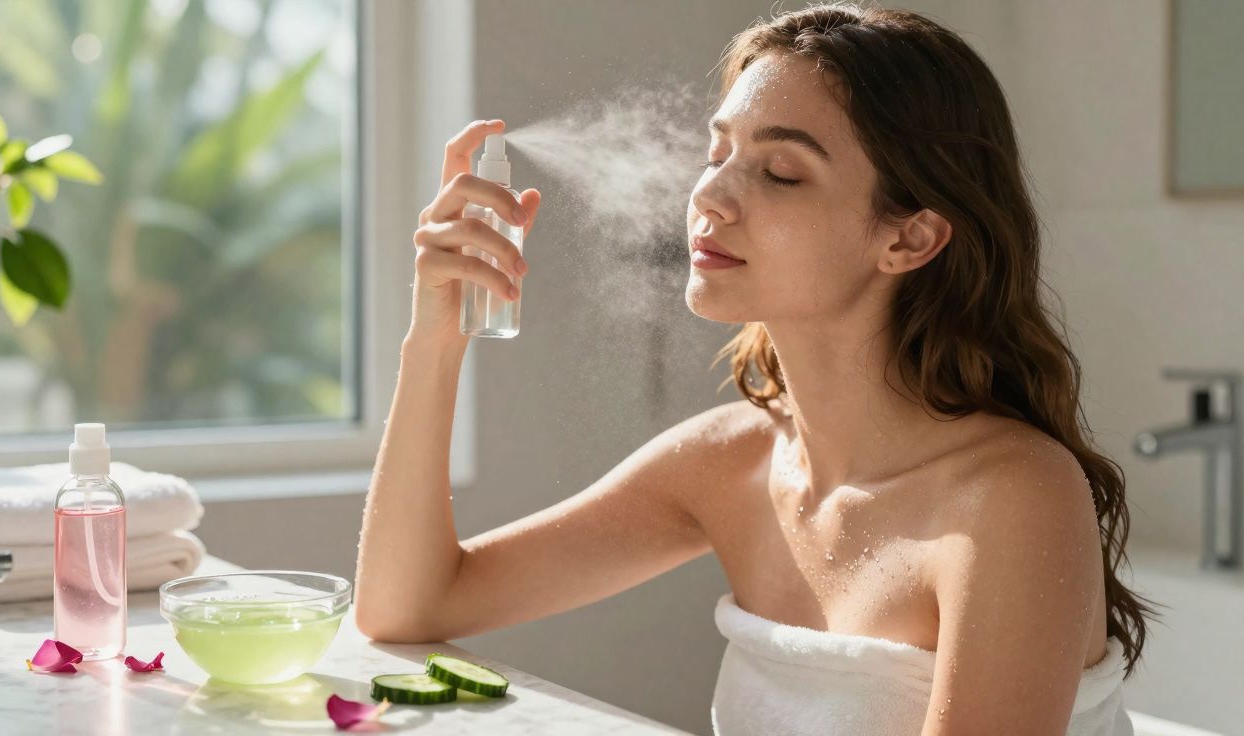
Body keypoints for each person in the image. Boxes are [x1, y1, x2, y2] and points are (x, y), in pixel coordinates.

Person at [354, 3, 1157, 733]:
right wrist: (433, 341)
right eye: (718, 152)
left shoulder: (1010, 497)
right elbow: (407, 606)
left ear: (908, 239)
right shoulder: (730, 463)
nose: (712, 194)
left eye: (780, 172)